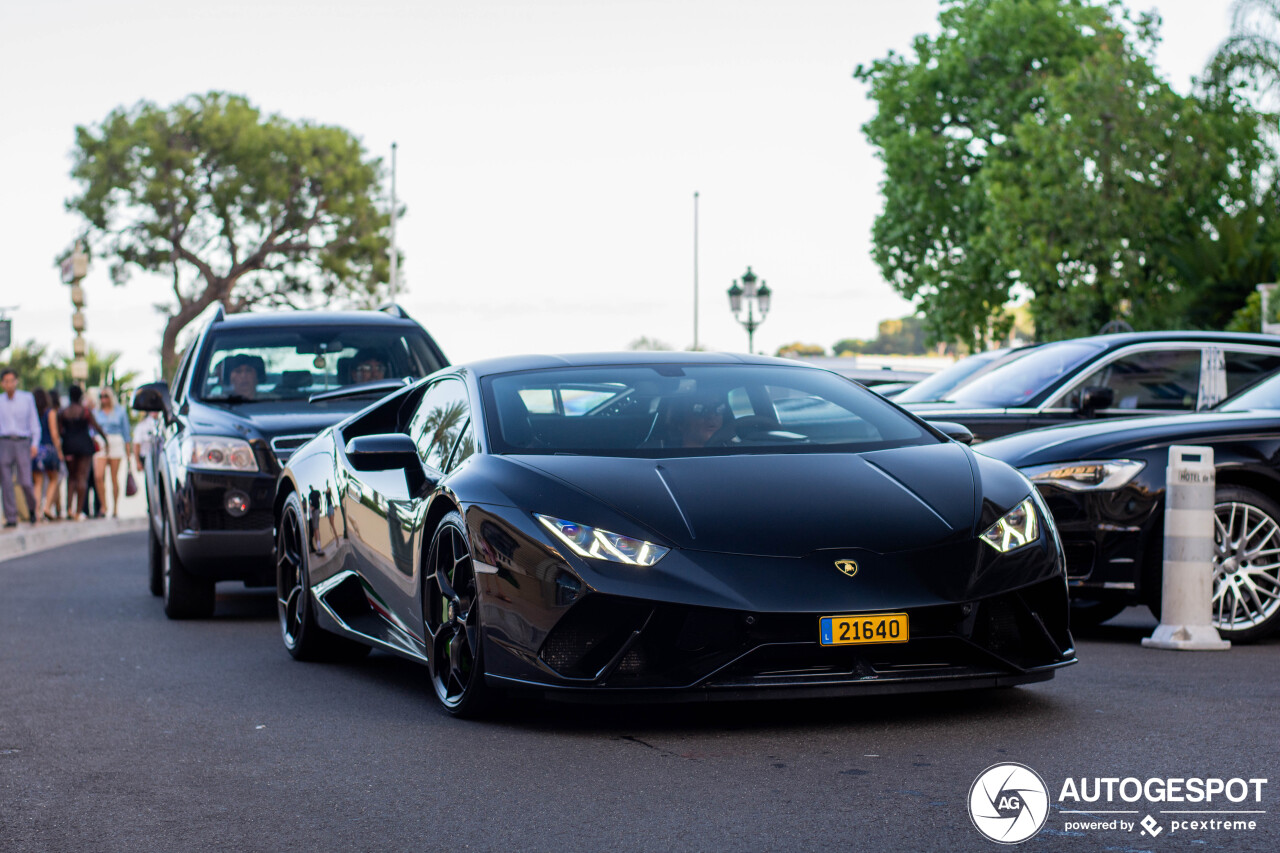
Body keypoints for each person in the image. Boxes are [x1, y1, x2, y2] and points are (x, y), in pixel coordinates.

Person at [0, 367, 42, 527]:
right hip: (4, 442)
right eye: (6, 381)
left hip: (23, 442)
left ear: (16, 381)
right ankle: (11, 517)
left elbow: (34, 423)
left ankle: (32, 508)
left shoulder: (27, 398)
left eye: (12, 380)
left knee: (25, 480)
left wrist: (34, 443)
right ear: (2, 383)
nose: (9, 384)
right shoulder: (1, 401)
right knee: (6, 482)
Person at [58, 385, 102, 521]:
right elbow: (96, 426)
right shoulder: (85, 411)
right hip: (84, 445)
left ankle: (69, 509)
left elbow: (60, 431)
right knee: (82, 477)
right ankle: (79, 511)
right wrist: (105, 439)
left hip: (69, 446)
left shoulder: (63, 412)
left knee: (71, 478)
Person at [93, 387, 132, 518]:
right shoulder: (96, 412)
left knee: (114, 477)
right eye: (101, 396)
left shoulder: (120, 411)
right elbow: (91, 429)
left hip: (116, 441)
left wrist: (128, 454)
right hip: (101, 442)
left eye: (106, 396)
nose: (103, 399)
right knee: (99, 476)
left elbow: (126, 433)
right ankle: (104, 506)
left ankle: (115, 507)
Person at [31, 388, 63, 522]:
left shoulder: (32, 413)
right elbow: (54, 434)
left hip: (36, 450)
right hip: (49, 449)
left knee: (38, 483)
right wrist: (59, 452)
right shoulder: (50, 412)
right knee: (54, 479)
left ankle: (36, 511)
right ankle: (47, 507)